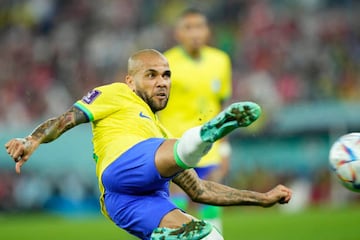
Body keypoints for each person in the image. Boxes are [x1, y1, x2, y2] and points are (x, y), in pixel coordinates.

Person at [5, 49, 292, 240]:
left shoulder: (159, 132)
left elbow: (201, 190)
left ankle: (165, 234)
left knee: (210, 235)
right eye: (151, 75)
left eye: (166, 75)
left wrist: (262, 199)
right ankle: (208, 133)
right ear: (130, 81)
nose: (162, 82)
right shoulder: (116, 94)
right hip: (120, 170)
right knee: (176, 149)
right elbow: (67, 118)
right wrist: (33, 140)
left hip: (133, 203)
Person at [158, 8, 232, 231]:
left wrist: (225, 148)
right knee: (177, 206)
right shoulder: (165, 63)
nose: (195, 33)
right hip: (176, 146)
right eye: (188, 28)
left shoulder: (220, 61)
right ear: (178, 33)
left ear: (208, 31)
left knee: (211, 204)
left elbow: (222, 106)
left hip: (210, 146)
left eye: (199, 26)